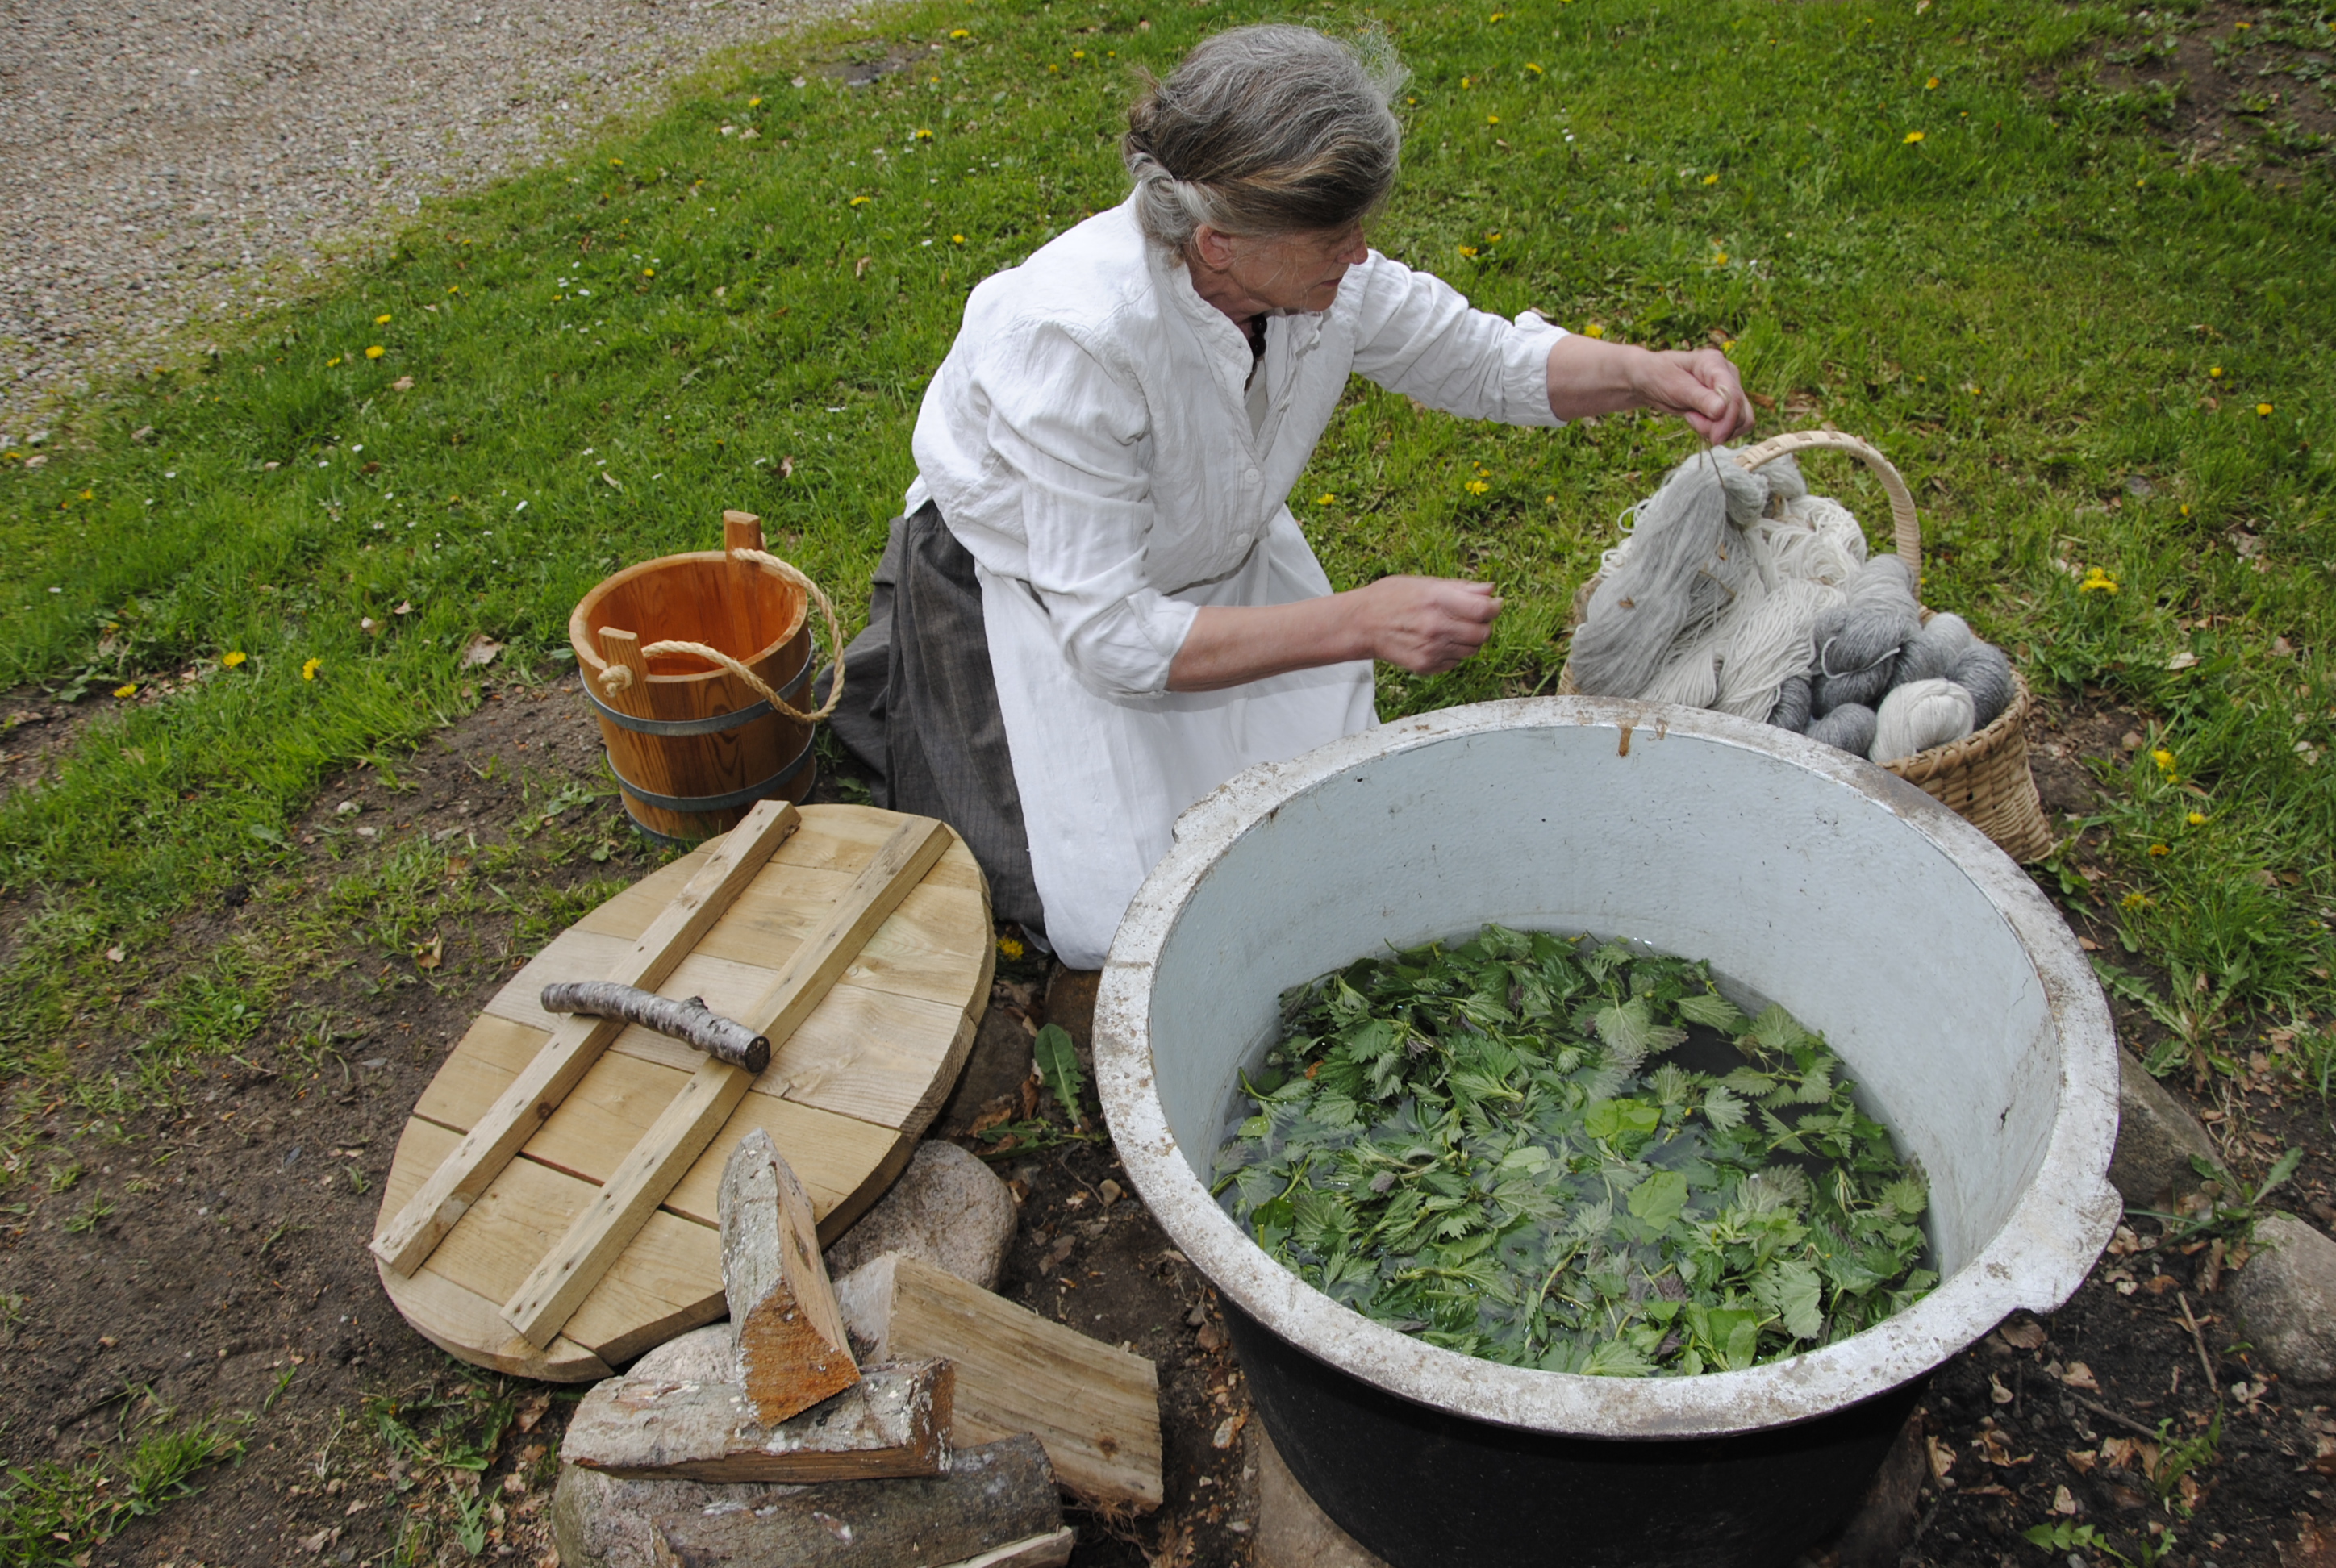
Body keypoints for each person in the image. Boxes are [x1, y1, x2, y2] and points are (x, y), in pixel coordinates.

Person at [829, 23, 1752, 969]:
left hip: (1205, 554)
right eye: (1335, 235)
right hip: (1042, 592)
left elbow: (1481, 360)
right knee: (1117, 911)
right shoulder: (1073, 339)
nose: (1360, 256)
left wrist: (1643, 373)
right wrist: (1356, 622)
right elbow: (1109, 636)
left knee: (1302, 829)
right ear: (1219, 242)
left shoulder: (1312, 279)